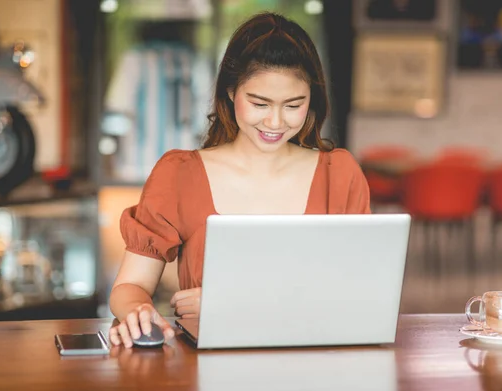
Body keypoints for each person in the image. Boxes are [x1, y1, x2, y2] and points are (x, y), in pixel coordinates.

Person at [108, 12, 371, 348]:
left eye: (294, 105)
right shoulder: (179, 174)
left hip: (315, 362)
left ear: (312, 100)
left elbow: (357, 294)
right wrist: (138, 310)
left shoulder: (339, 174)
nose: (275, 122)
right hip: (206, 371)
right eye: (259, 103)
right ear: (231, 91)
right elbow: (130, 286)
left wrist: (234, 303)